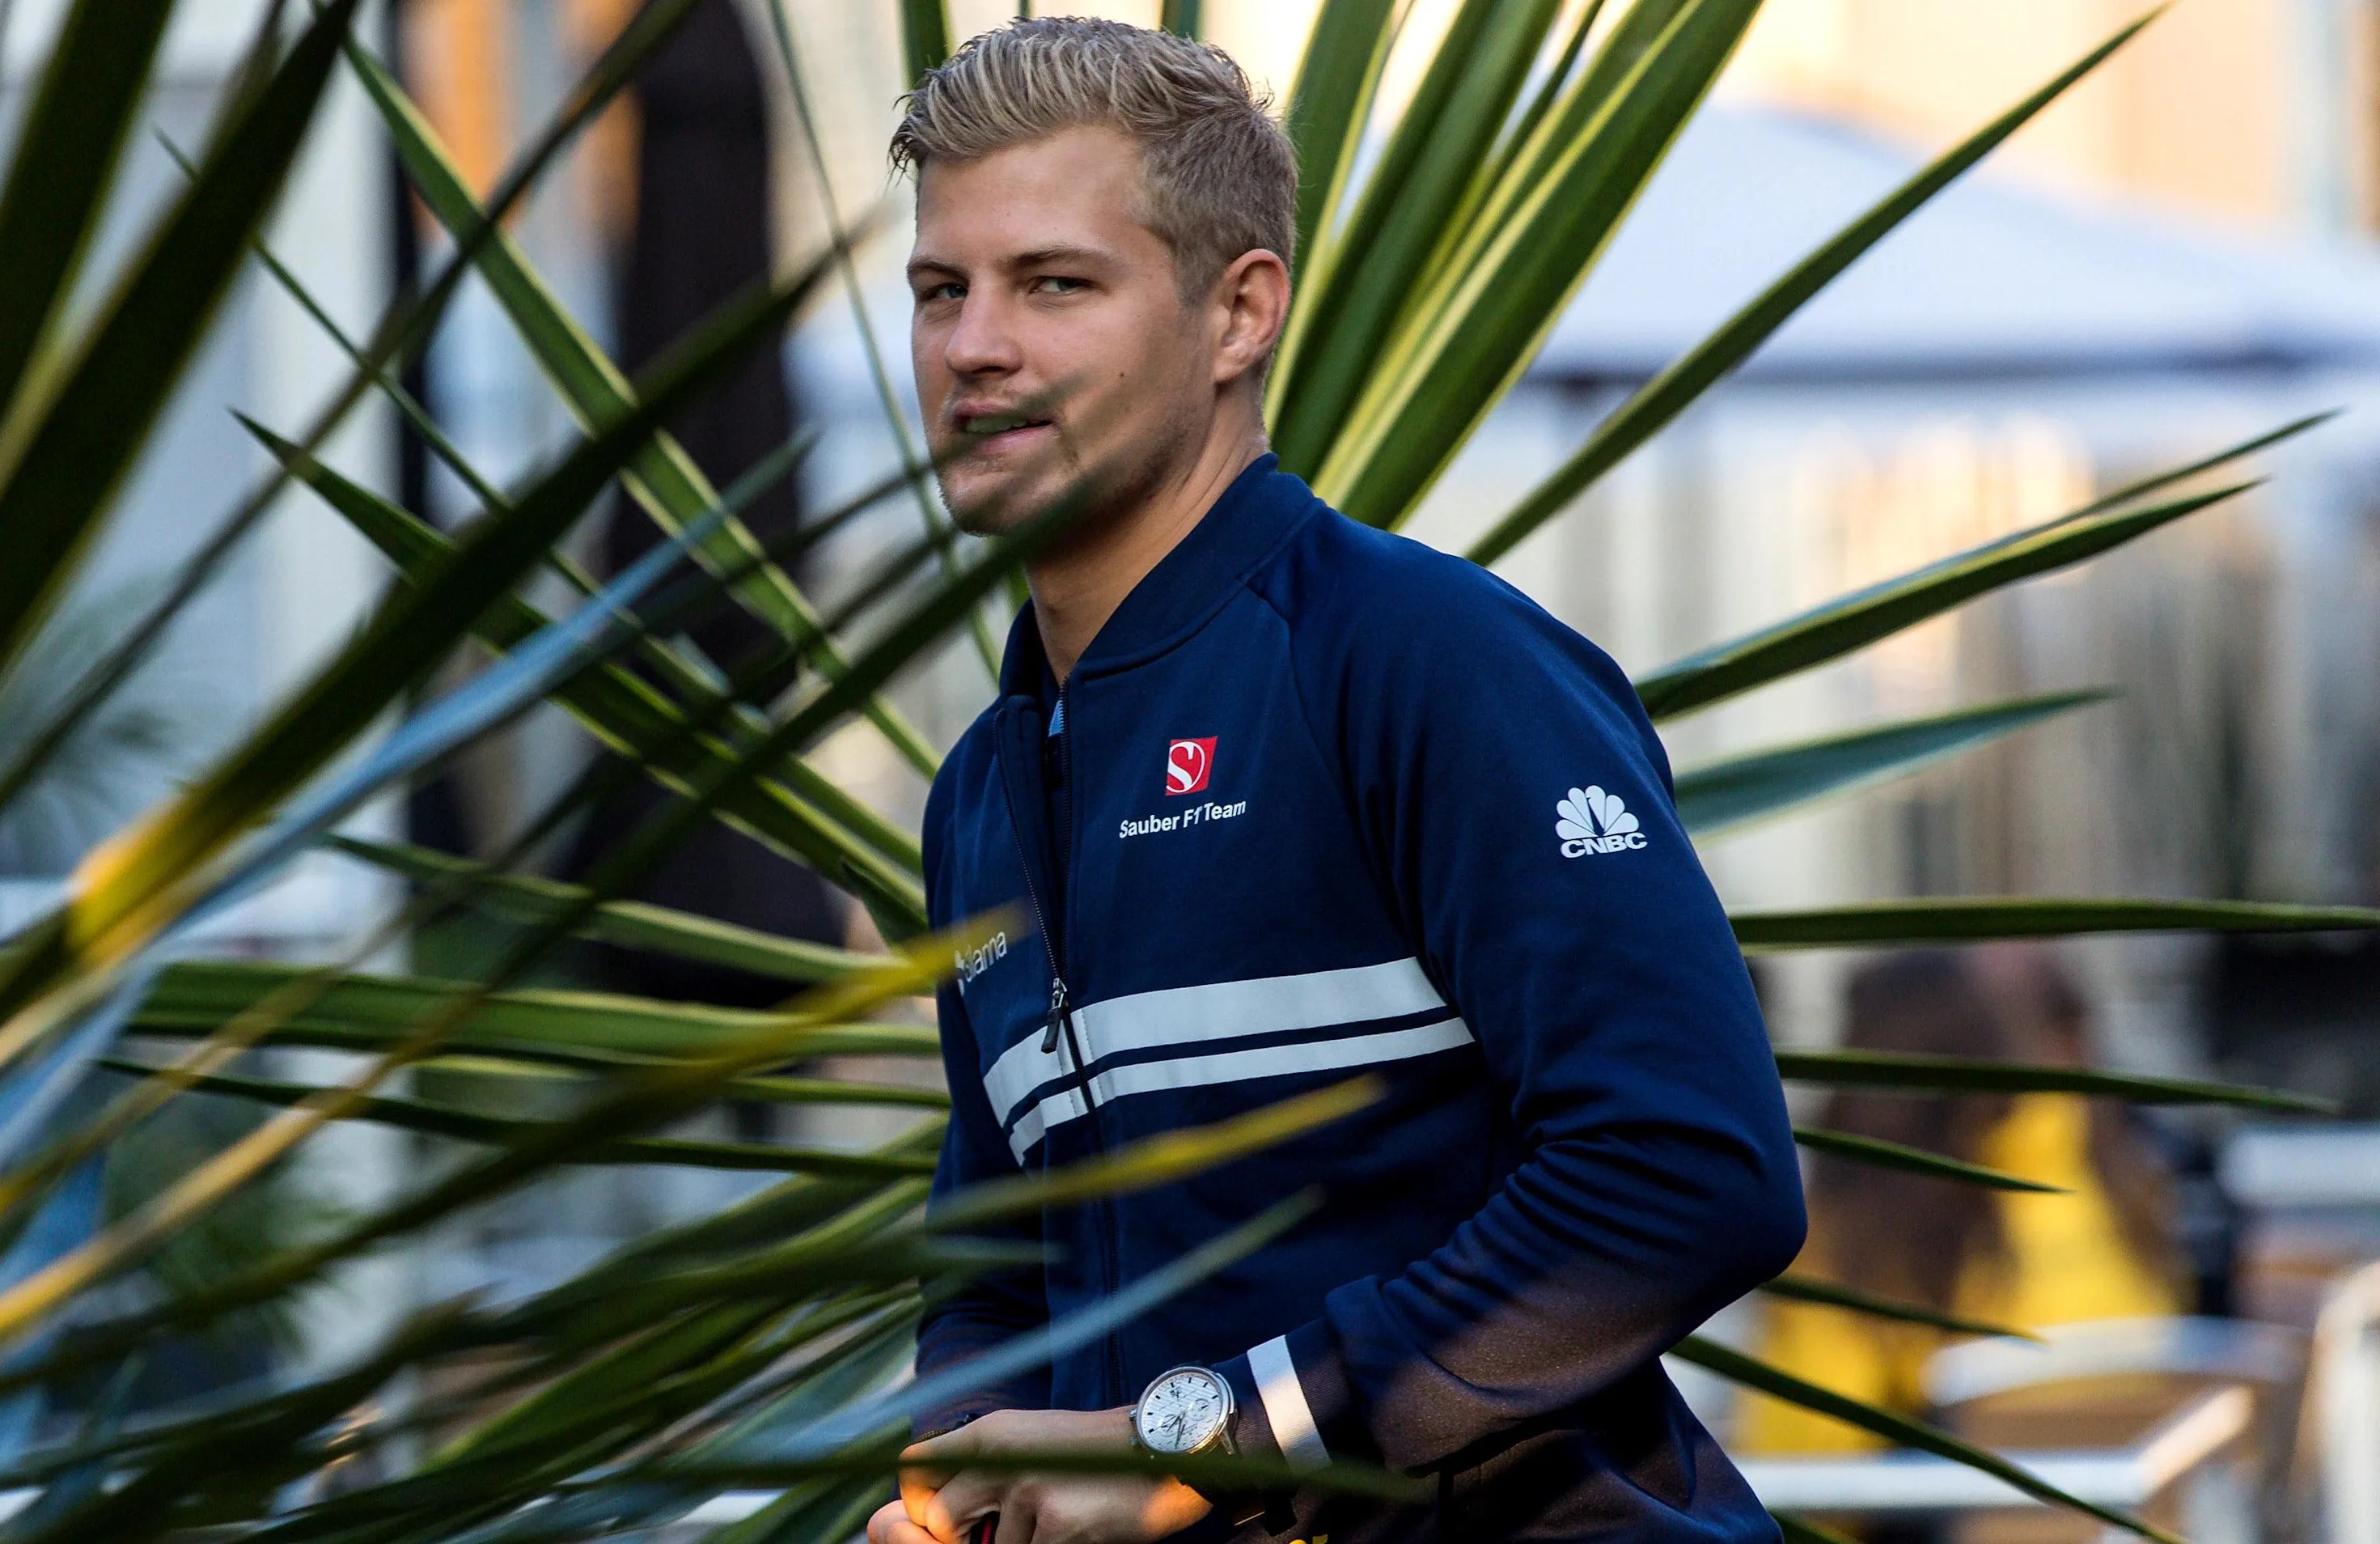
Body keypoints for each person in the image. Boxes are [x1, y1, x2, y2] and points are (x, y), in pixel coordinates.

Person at [866, 19, 1805, 1544]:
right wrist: (950, 1477)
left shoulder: (1422, 658)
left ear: (1238, 313)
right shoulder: (979, 787)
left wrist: (1214, 1435)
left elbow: (1687, 1166)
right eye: (938, 289)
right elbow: (997, 1255)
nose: (975, 345)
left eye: (1054, 284)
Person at [1742, 949, 2180, 1458]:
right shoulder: (2091, 1168)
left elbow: (1810, 1451)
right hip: (2127, 1513)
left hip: (1966, 1517)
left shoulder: (1870, 1233)